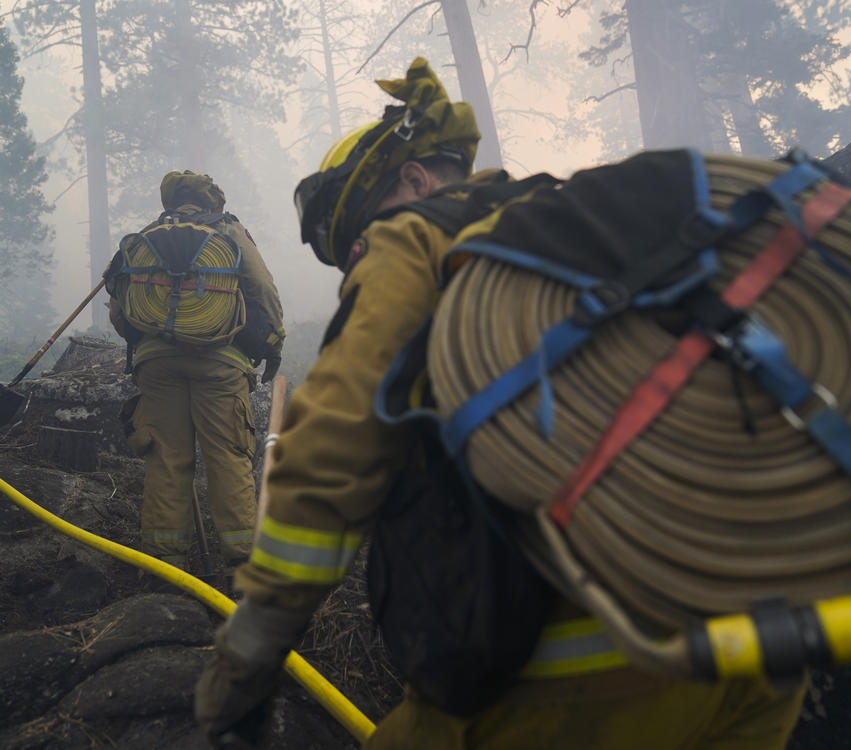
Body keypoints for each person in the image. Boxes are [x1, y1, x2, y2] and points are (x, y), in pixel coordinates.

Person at [194, 59, 805, 749]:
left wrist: (249, 654)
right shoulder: (586, 227)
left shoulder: (420, 238)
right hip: (764, 644)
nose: (357, 266)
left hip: (585, 670)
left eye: (357, 241)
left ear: (416, 180)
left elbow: (333, 447)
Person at [107, 170, 284, 574]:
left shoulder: (148, 235)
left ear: (170, 200)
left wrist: (150, 343)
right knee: (229, 457)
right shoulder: (230, 232)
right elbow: (263, 289)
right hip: (222, 362)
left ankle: (165, 569)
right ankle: (243, 567)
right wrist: (273, 344)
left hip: (157, 365)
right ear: (214, 203)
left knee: (166, 459)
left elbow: (120, 303)